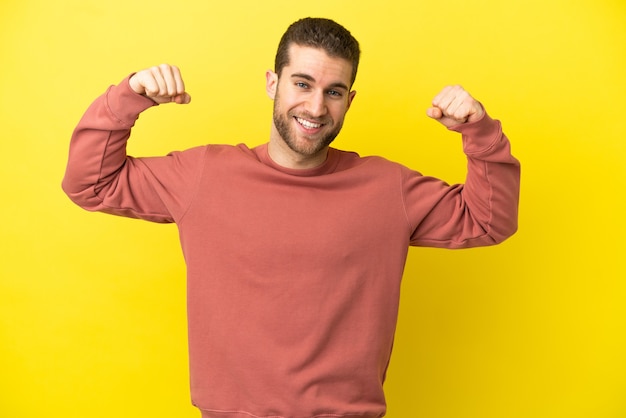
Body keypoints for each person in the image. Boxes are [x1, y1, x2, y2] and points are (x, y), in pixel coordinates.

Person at [62, 17, 520, 418]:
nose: (317, 108)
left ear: (349, 99)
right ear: (272, 83)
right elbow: (89, 183)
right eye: (302, 84)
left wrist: (478, 131)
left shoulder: (387, 189)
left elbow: (487, 220)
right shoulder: (204, 175)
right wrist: (129, 97)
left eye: (333, 91)